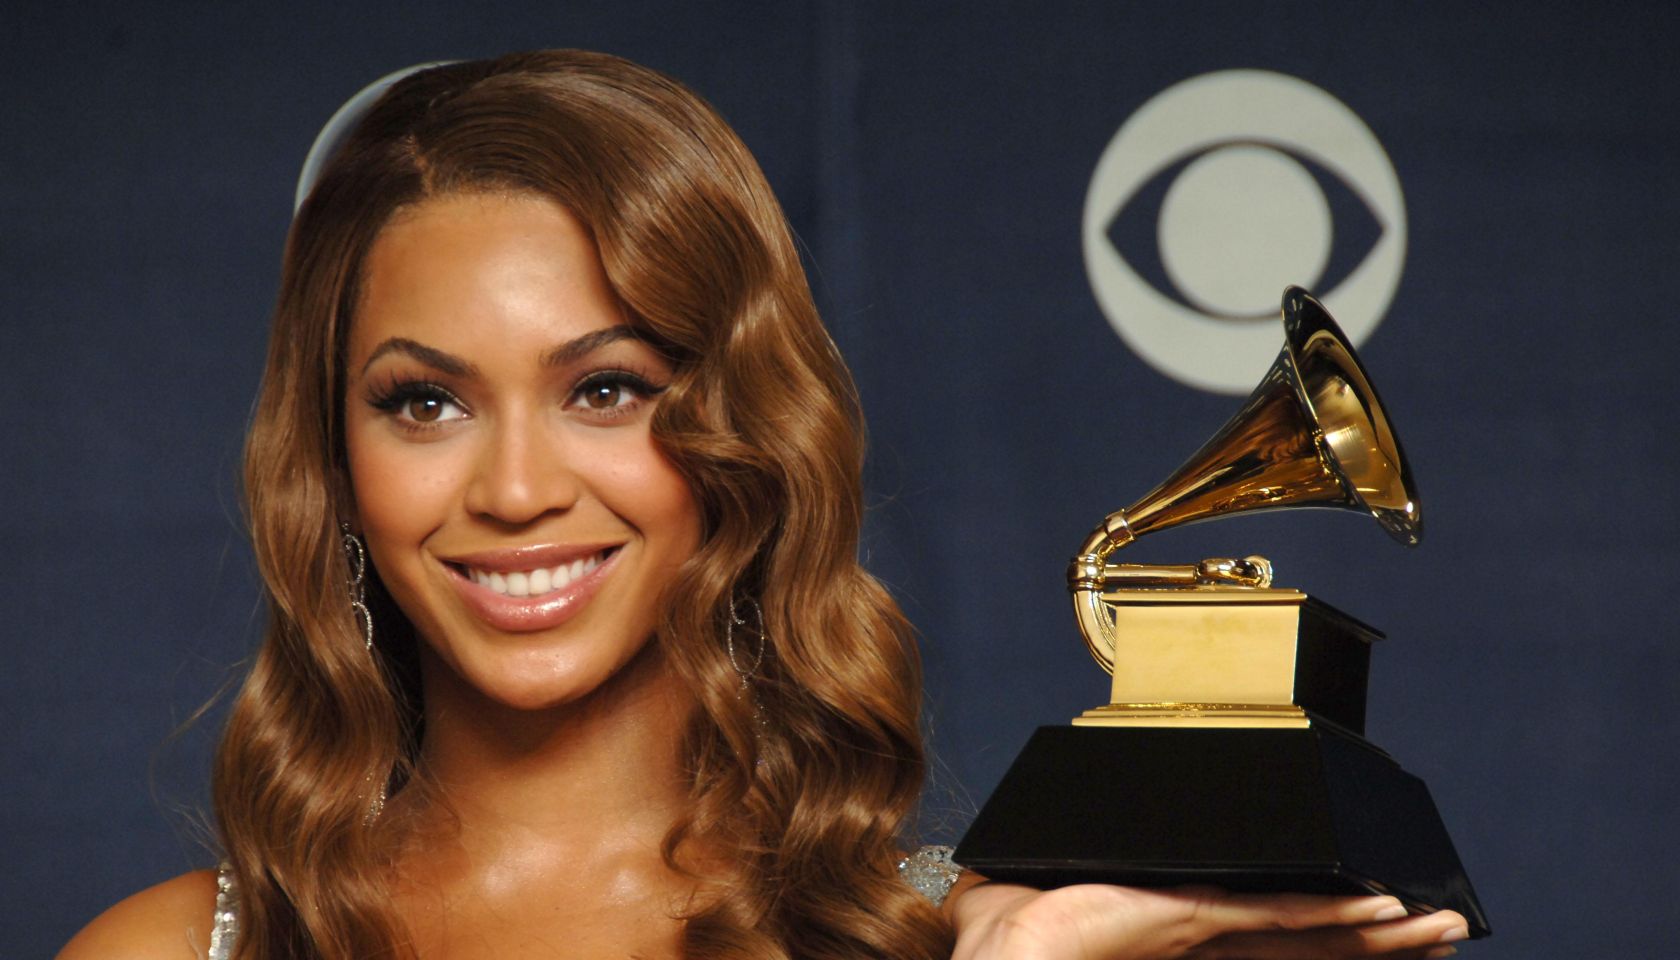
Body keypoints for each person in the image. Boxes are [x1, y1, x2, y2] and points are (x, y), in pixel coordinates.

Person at [57, 50, 1469, 960]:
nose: (515, 488)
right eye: (424, 402)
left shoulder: (949, 937)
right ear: (335, 462)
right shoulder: (171, 951)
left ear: (738, 427)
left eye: (605, 388)